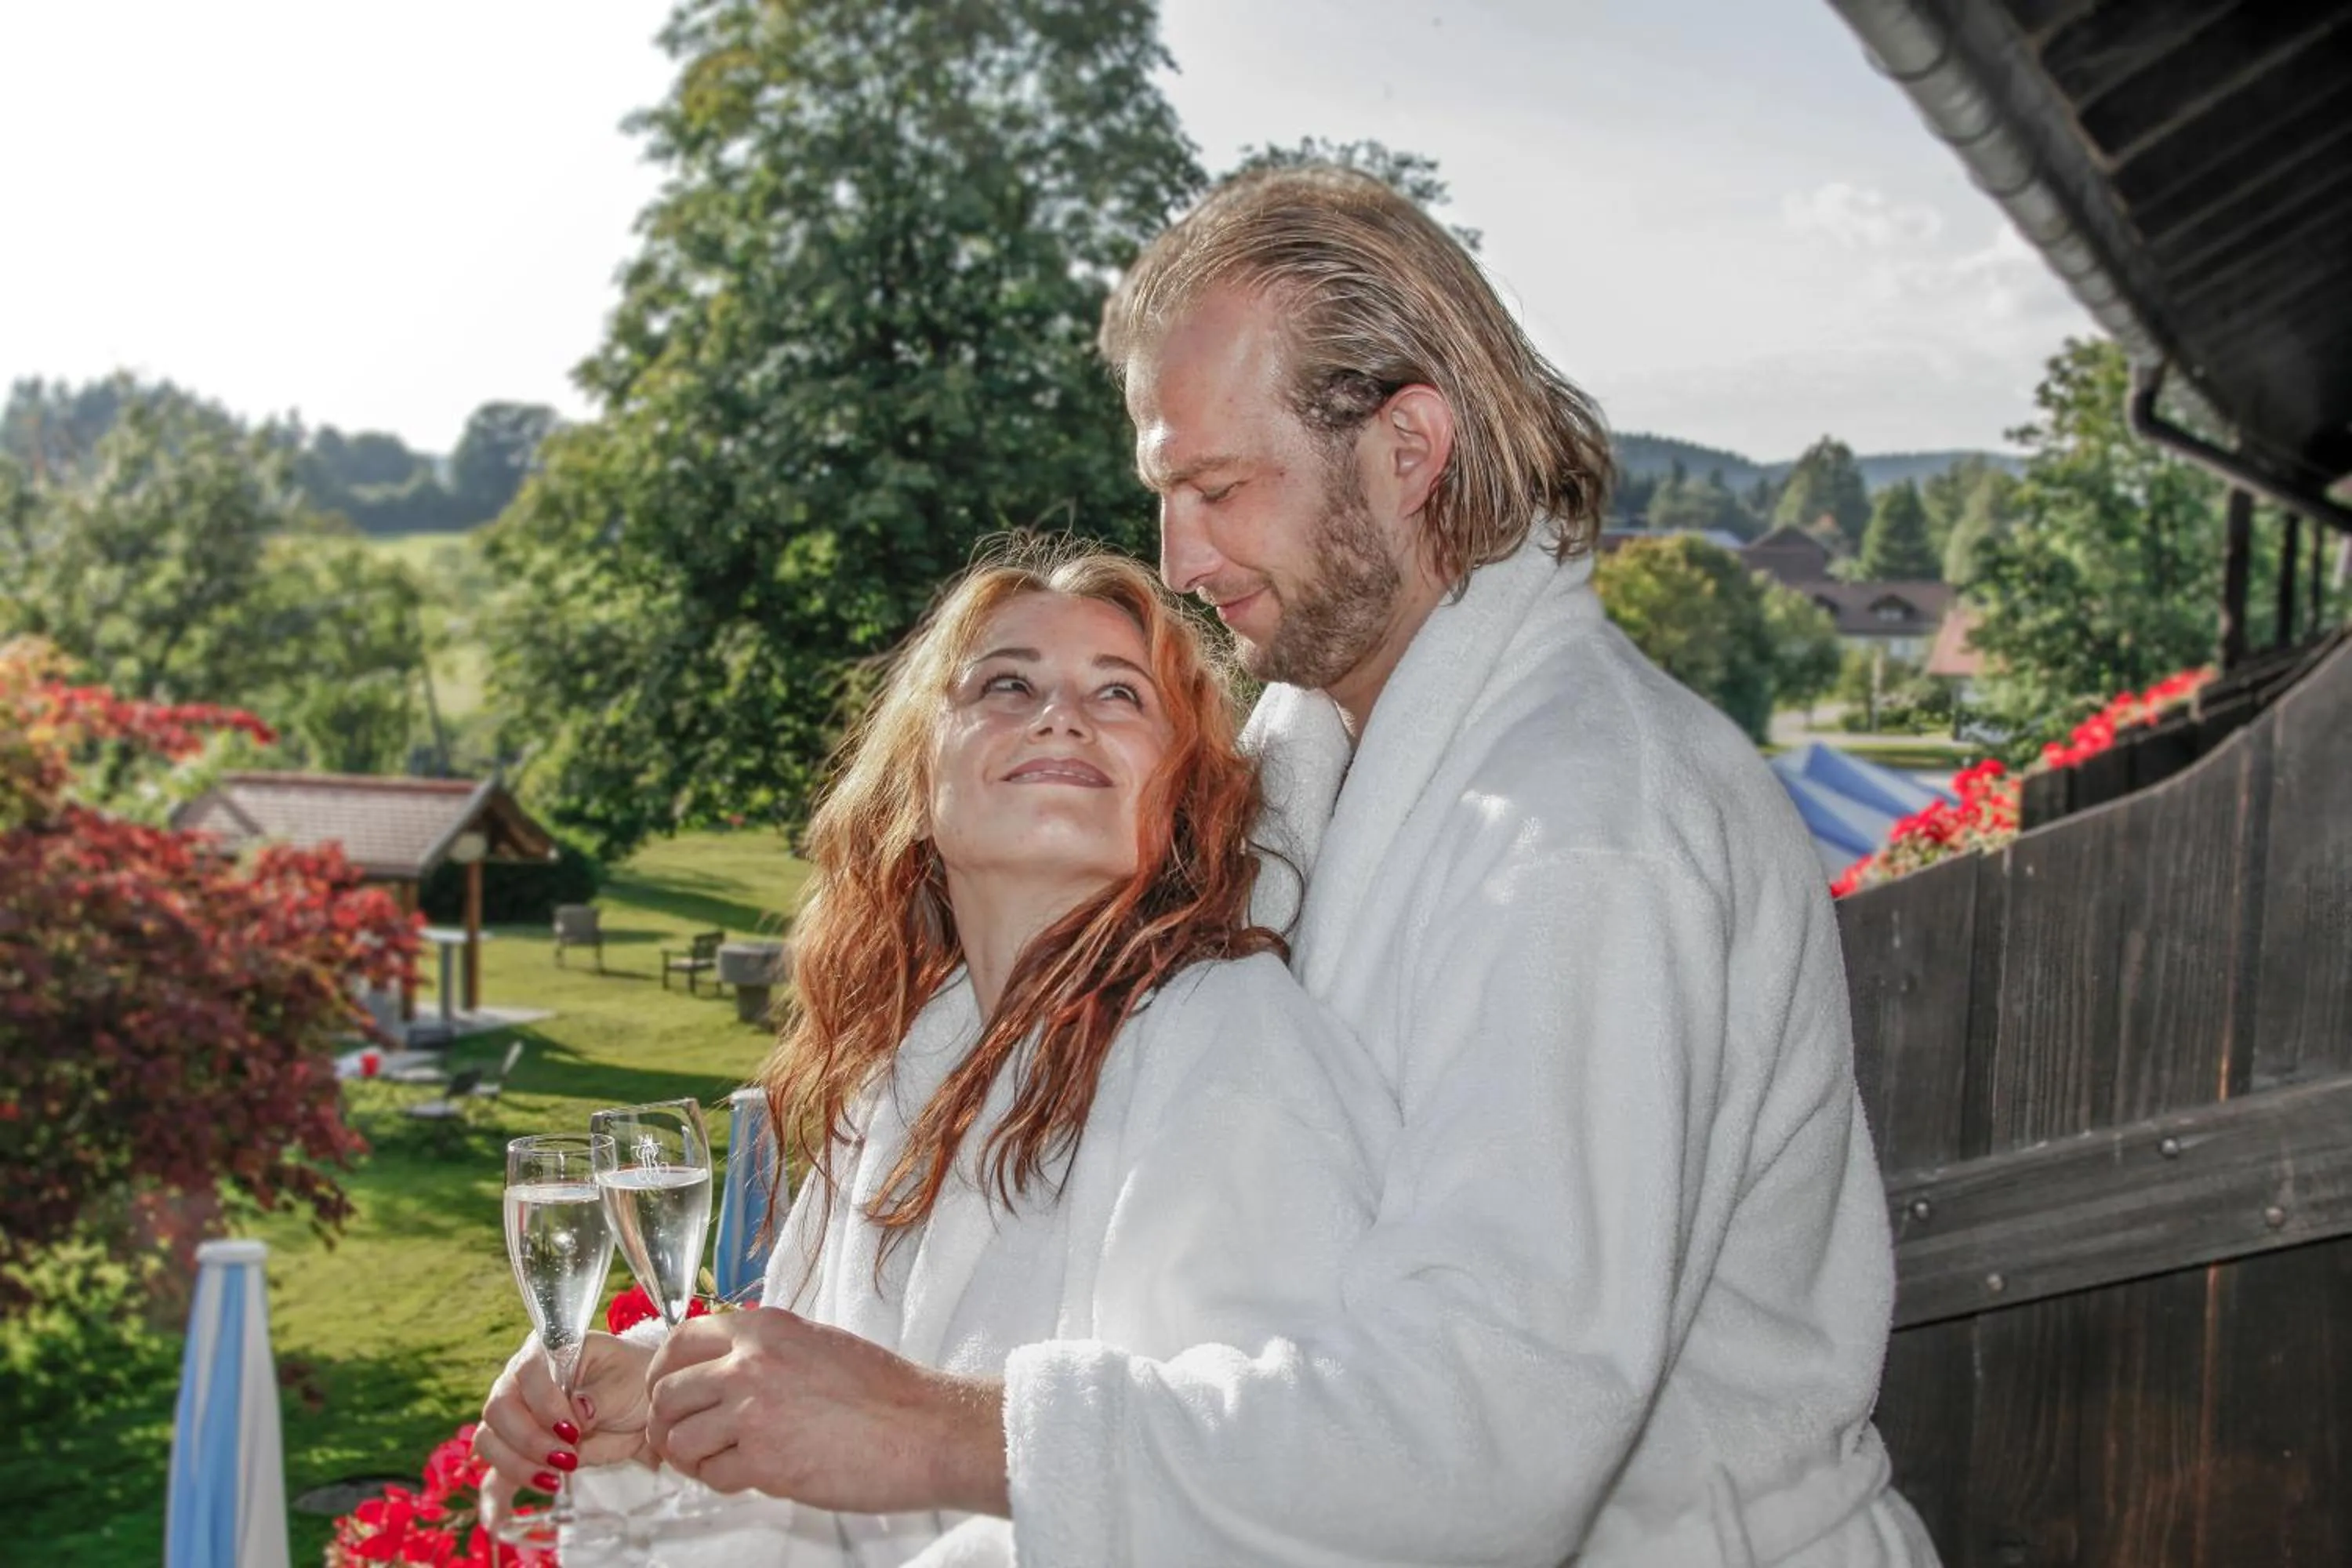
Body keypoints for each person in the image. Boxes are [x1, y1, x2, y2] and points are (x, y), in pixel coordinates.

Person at [635, 165, 1940, 1566]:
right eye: (1164, 490)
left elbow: (1492, 1432)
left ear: (1409, 448)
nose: (1177, 557)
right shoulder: (1312, 757)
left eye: (1217, 488)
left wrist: (942, 1432)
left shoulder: (1586, 828)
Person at [473, 546, 1390, 1563]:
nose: (1060, 713)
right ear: (920, 768)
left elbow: (1292, 1482)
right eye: (1008, 682)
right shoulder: (898, 1081)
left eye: (1120, 694)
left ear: (1183, 798)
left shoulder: (1230, 1043)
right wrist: (660, 1414)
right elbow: (821, 1502)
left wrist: (922, 1427)